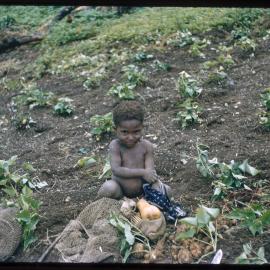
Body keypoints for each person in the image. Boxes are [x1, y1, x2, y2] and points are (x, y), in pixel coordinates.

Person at [97, 100, 172, 200]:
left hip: (143, 192)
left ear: (142, 128)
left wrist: (153, 180)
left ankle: (143, 203)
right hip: (120, 193)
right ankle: (121, 202)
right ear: (116, 129)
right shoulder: (115, 146)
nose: (131, 137)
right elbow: (117, 170)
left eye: (136, 131)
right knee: (109, 187)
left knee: (166, 190)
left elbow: (150, 171)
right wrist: (142, 172)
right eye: (124, 132)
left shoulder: (146, 146)